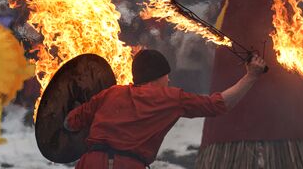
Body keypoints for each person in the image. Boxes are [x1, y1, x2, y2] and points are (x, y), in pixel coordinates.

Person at [64, 49, 267, 169]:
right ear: (159, 76)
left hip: (89, 163)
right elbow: (219, 104)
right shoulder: (171, 98)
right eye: (166, 75)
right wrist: (251, 76)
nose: (169, 79)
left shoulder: (110, 93)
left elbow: (70, 123)